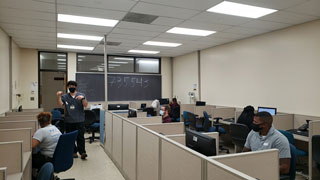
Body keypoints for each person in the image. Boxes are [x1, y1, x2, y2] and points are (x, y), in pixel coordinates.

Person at [56, 80, 88, 159]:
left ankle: (82, 152)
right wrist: (59, 96)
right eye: (70, 86)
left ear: (76, 86)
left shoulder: (81, 95)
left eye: (73, 86)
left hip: (79, 120)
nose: (71, 87)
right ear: (68, 87)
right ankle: (74, 151)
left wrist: (83, 99)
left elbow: (86, 105)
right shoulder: (65, 96)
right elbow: (60, 105)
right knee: (71, 137)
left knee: (80, 137)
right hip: (69, 120)